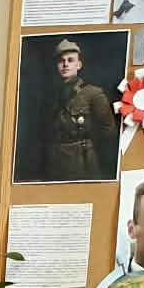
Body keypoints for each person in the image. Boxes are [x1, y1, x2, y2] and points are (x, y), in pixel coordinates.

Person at [40, 37, 114, 181]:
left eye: (70, 60)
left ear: (79, 65)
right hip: (55, 163)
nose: (65, 64)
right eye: (61, 61)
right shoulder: (51, 97)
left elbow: (108, 132)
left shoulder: (93, 93)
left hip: (82, 162)